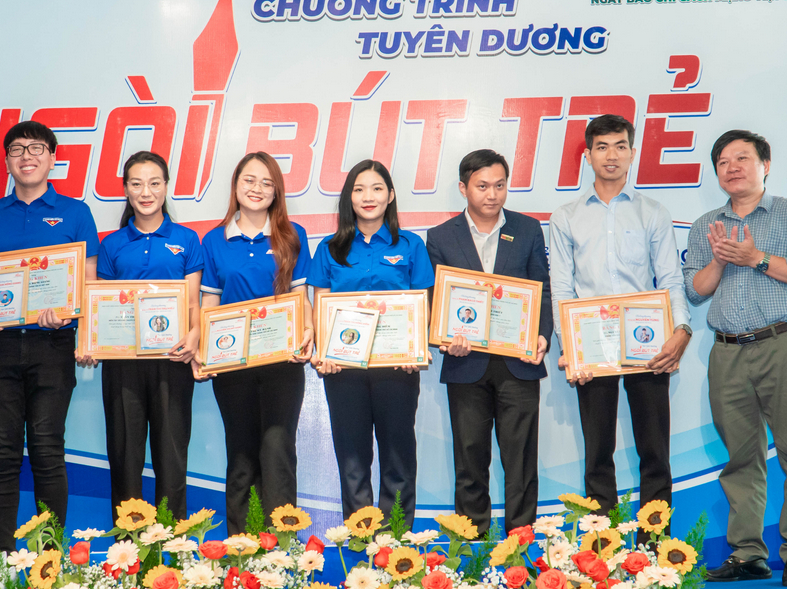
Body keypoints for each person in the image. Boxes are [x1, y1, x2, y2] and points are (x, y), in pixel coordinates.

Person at [684, 129, 787, 587]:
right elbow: (695, 290)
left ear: (765, 165)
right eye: (723, 162)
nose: (732, 168)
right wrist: (722, 260)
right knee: (741, 457)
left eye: (742, 158)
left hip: (783, 343)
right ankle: (747, 553)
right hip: (727, 351)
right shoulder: (706, 224)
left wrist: (756, 257)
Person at [0, 121, 99, 554]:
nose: (27, 156)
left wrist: (73, 316)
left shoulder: (75, 212)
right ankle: (0, 564)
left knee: (47, 450)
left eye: (36, 148)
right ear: (7, 161)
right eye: (17, 149)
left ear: (52, 159)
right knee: (1, 454)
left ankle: (48, 564)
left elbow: (88, 284)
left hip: (52, 346)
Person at [549, 114, 692, 516]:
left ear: (633, 153)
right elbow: (561, 289)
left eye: (620, 146)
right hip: (591, 347)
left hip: (647, 343)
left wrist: (681, 329)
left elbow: (670, 278)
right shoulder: (566, 216)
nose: (611, 155)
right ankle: (601, 545)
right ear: (588, 155)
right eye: (602, 147)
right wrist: (570, 348)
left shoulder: (653, 212)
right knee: (598, 454)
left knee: (655, 451)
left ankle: (655, 546)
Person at [425, 149, 551, 536]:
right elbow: (435, 300)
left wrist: (542, 334)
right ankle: (471, 546)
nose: (492, 194)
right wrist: (444, 339)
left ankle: (521, 543)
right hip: (466, 363)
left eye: (499, 185)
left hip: (518, 362)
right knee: (469, 461)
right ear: (463, 188)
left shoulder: (528, 229)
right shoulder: (441, 236)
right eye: (482, 186)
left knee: (521, 462)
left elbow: (543, 290)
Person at [309, 160, 433, 526]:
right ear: (349, 197)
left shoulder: (411, 245)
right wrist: (324, 352)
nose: (368, 196)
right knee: (352, 459)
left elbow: (422, 305)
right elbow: (320, 307)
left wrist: (416, 348)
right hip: (343, 369)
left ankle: (397, 540)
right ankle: (362, 538)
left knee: (398, 456)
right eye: (359, 189)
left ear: (390, 195)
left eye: (377, 188)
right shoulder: (329, 248)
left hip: (397, 367)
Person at [199, 151, 313, 533]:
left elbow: (300, 298)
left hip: (283, 363)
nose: (257, 189)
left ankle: (281, 548)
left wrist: (308, 331)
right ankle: (241, 550)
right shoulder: (214, 241)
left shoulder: (292, 236)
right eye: (249, 180)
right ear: (235, 185)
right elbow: (209, 304)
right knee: (241, 455)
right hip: (232, 365)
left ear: (276, 191)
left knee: (278, 451)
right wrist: (204, 352)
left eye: (267, 183)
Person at [91, 150, 203, 522]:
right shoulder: (111, 244)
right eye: (137, 184)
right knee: (125, 457)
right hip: (123, 364)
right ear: (125, 189)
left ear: (166, 187)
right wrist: (92, 342)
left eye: (154, 183)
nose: (146, 192)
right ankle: (128, 548)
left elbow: (193, 304)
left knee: (172, 457)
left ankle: (175, 547)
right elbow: (102, 306)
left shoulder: (187, 239)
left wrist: (194, 336)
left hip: (173, 360)